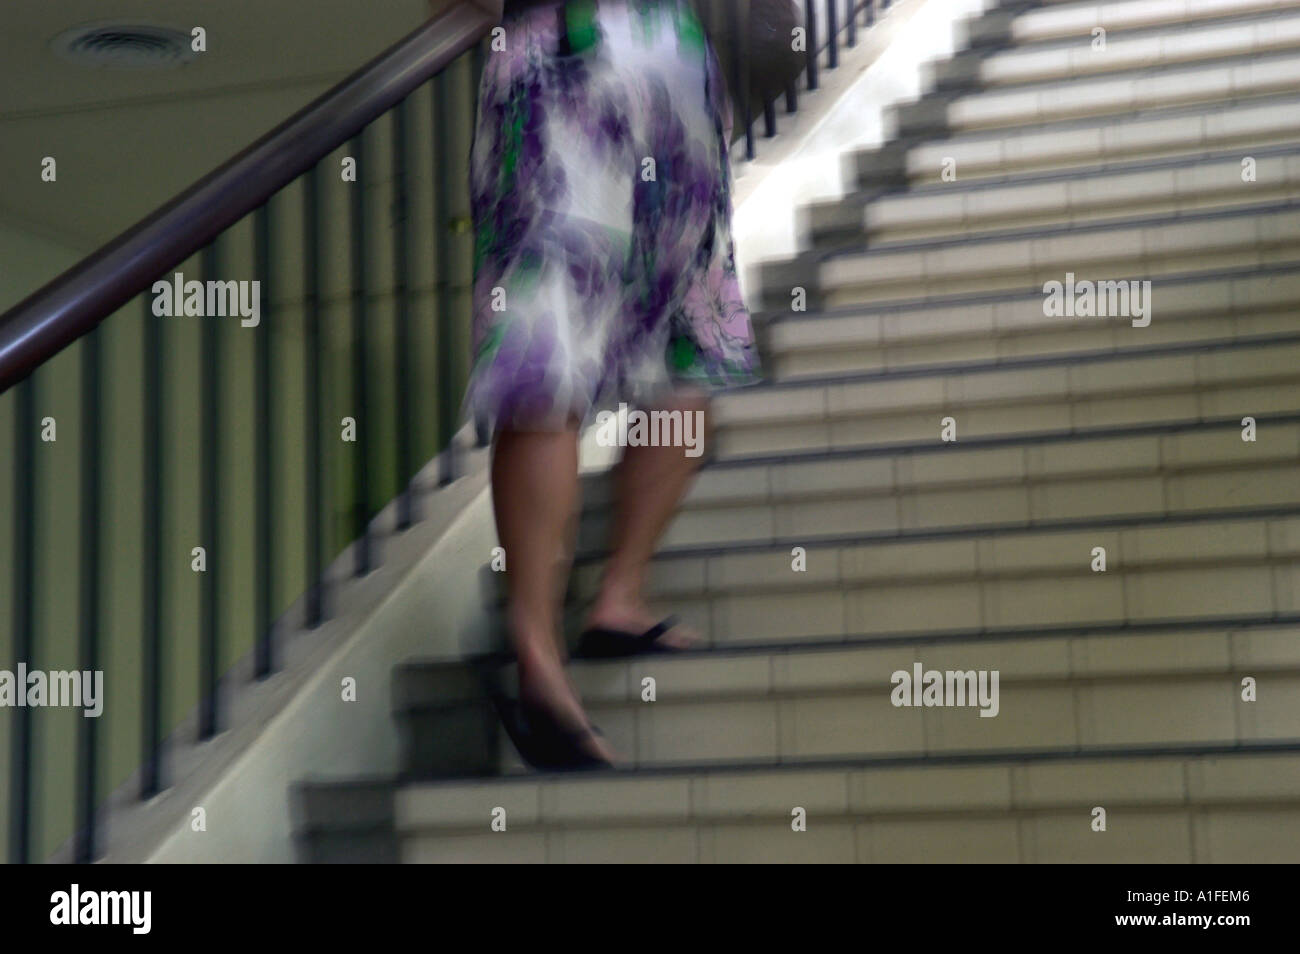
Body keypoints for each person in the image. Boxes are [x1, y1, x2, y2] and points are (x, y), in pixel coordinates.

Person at [462, 0, 760, 768]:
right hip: (674, 59)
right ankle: (619, 595)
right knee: (684, 341)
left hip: (566, 52)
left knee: (547, 336)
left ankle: (539, 646)